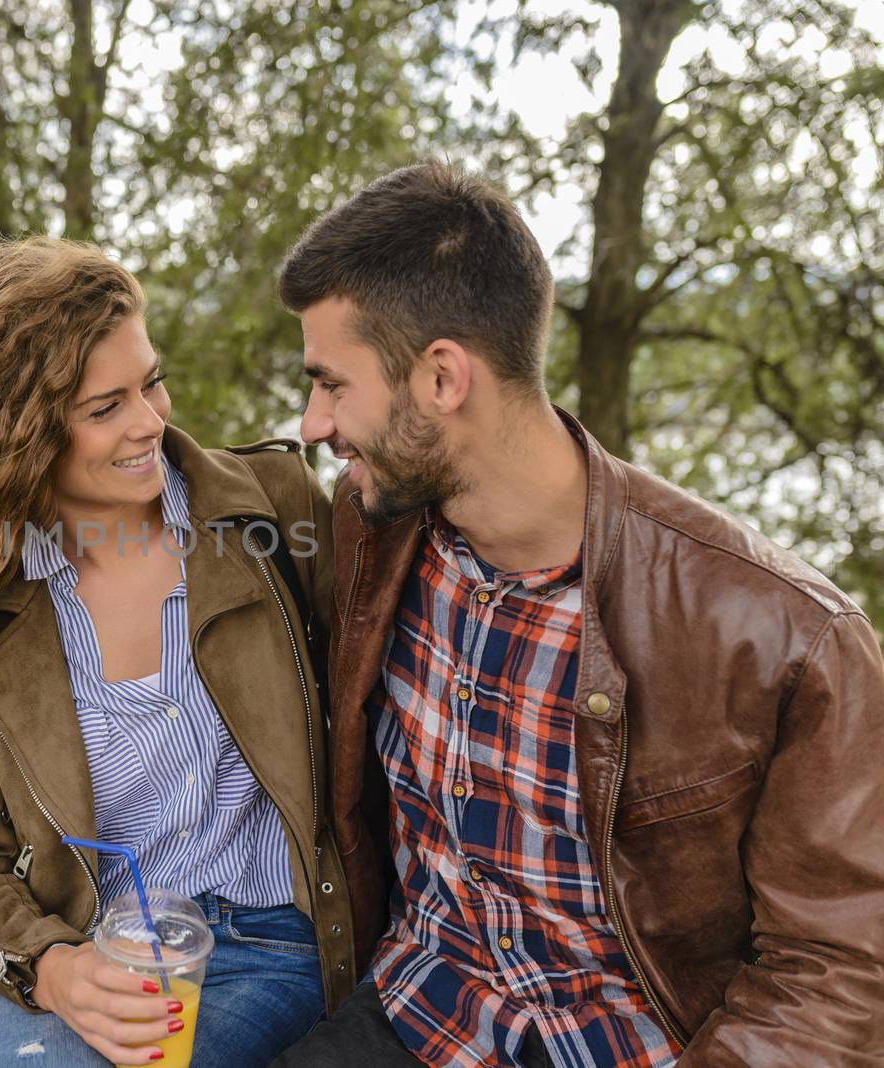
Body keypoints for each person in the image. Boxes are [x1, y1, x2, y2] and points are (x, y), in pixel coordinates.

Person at [270, 161, 884, 1067]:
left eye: (332, 384)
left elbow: (839, 971)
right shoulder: (375, 526)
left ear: (442, 378)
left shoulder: (786, 636)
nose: (314, 423)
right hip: (417, 1005)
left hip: (628, 1047)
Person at [0, 237, 379, 1067]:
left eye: (151, 381)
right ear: (17, 437)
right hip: (84, 948)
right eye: (104, 408)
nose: (149, 422)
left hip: (275, 941)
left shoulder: (273, 515)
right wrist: (55, 969)